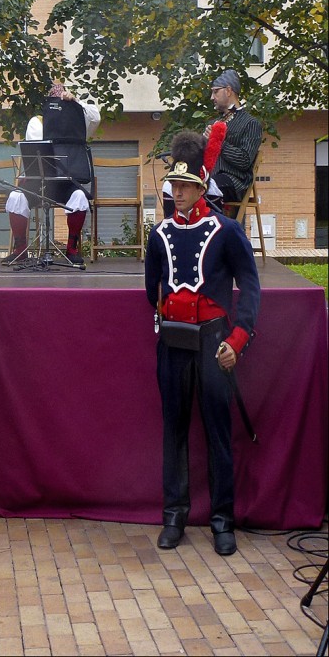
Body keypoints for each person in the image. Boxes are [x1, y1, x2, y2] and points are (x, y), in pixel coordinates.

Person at [146, 131, 260, 557]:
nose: (177, 193)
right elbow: (150, 288)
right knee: (173, 432)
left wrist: (238, 338)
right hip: (173, 343)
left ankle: (222, 520)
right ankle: (174, 514)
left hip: (214, 343)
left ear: (201, 187)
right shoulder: (158, 234)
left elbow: (250, 288)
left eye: (185, 186)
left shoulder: (228, 231)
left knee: (217, 432)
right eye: (173, 185)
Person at [4, 82, 100, 264]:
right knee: (16, 197)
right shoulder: (37, 122)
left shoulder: (78, 121)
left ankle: (72, 248)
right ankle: (20, 250)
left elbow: (95, 117)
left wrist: (76, 102)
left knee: (80, 197)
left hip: (67, 182)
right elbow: (34, 151)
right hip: (40, 181)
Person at [162, 69, 263, 217]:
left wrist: (218, 143)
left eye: (215, 92)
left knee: (204, 187)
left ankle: (209, 231)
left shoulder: (251, 123)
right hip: (208, 175)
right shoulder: (213, 123)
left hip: (233, 181)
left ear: (228, 91)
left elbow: (244, 161)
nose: (212, 97)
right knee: (172, 184)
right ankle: (174, 228)